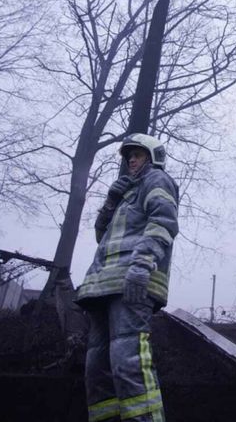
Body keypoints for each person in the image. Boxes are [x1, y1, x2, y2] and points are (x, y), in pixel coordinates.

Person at [75, 133, 180, 422]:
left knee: (128, 363)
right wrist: (110, 201)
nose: (131, 159)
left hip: (132, 284)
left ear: (153, 157)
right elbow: (102, 237)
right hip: (102, 286)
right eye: (129, 155)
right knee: (97, 370)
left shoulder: (157, 181)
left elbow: (164, 222)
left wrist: (142, 264)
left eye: (138, 154)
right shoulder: (125, 194)